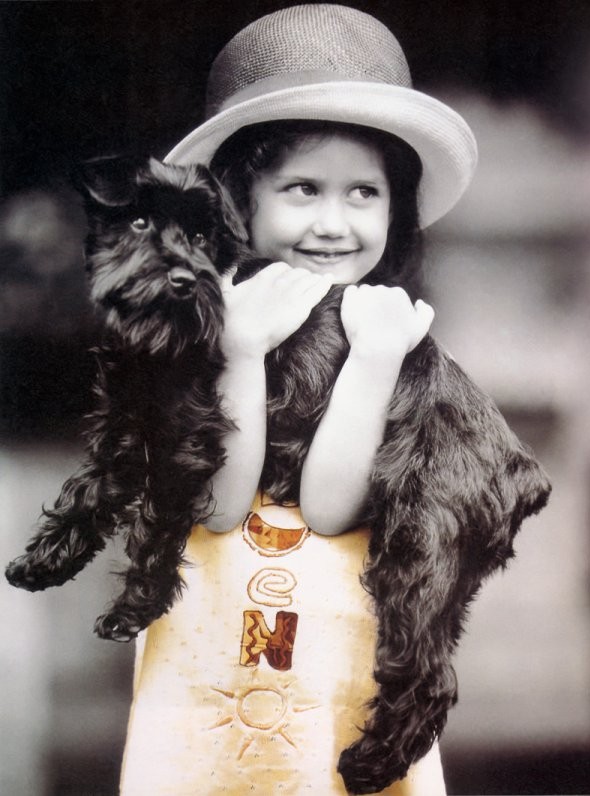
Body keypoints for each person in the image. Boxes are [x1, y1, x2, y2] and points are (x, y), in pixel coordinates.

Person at [120, 5, 477, 794]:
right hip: (211, 653)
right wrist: (240, 352)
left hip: (339, 664)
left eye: (363, 194)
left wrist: (375, 363)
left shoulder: (392, 336)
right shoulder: (191, 328)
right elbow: (214, 508)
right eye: (303, 188)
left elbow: (327, 510)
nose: (332, 223)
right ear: (239, 201)